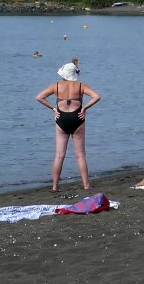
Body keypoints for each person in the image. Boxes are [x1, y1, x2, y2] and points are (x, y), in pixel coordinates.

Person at [35, 62, 101, 194]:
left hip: (62, 119)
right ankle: (86, 185)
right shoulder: (81, 86)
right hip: (78, 118)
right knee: (81, 155)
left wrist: (54, 108)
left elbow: (39, 97)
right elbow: (97, 96)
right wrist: (85, 108)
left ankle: (55, 186)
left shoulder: (56, 86)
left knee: (59, 155)